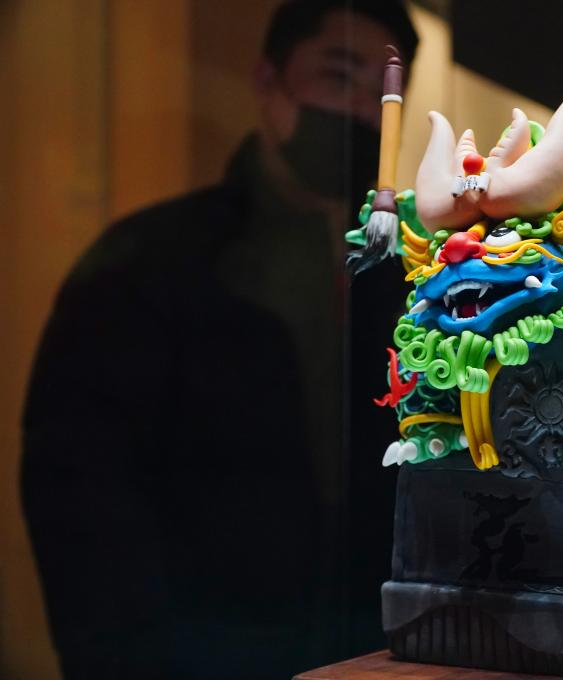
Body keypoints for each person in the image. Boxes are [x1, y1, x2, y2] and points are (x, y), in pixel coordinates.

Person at [20, 1, 417, 678]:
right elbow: (80, 497)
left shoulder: (408, 277)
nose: (360, 112)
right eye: (337, 76)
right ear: (268, 81)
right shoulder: (147, 261)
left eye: (386, 97)